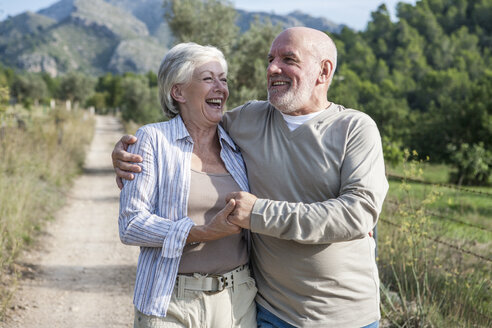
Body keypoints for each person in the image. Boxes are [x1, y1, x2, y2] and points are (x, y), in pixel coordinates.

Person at [114, 27, 388, 328]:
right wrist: (126, 153)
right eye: (270, 59)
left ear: (323, 71)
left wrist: (257, 213)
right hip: (272, 312)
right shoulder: (248, 120)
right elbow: (192, 125)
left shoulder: (355, 128)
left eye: (288, 59)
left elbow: (357, 213)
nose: (272, 68)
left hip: (347, 315)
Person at [118, 42, 257, 328]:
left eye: (224, 79)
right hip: (169, 301)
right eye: (208, 79)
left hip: (238, 301)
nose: (221, 87)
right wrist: (201, 232)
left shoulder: (239, 143)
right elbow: (130, 224)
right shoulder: (152, 140)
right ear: (178, 91)